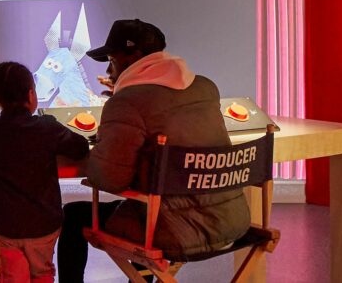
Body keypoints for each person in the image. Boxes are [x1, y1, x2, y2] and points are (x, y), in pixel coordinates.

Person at [58, 19, 249, 283]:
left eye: (111, 60)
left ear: (133, 58)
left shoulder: (126, 103)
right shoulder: (205, 88)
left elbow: (108, 178)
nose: (110, 71)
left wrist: (105, 135)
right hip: (231, 221)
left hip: (174, 230)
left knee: (73, 215)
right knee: (147, 204)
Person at [0, 61, 90, 283]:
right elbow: (80, 147)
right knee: (43, 273)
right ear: (31, 94)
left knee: (11, 276)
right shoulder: (48, 128)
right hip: (44, 225)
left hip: (6, 226)